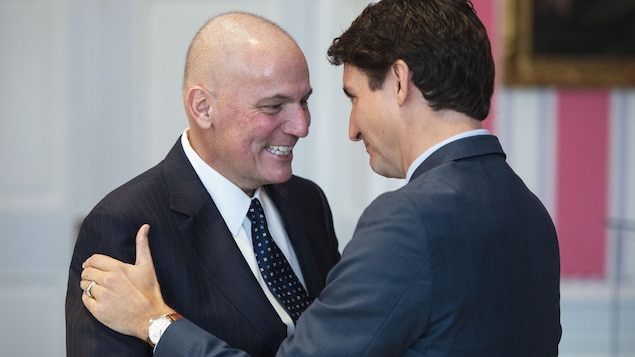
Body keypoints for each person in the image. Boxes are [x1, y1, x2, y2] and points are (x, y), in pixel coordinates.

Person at [80, 0, 562, 355]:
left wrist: (157, 323)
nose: (317, 127)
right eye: (274, 105)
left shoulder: (398, 220)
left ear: (398, 82)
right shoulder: (529, 209)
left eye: (351, 96)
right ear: (202, 108)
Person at [65, 12, 340, 357]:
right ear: (203, 108)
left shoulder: (307, 200)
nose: (301, 126)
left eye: (304, 101)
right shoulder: (124, 223)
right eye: (273, 106)